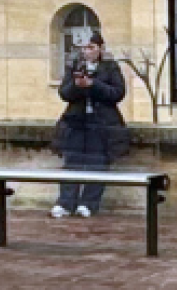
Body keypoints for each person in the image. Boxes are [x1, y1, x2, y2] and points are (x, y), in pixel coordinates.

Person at [50, 33, 128, 219]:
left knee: (98, 163)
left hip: (101, 124)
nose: (87, 51)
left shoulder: (110, 68)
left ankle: (89, 203)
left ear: (100, 48)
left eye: (91, 47)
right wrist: (78, 85)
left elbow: (117, 93)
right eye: (84, 48)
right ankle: (66, 203)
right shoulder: (75, 66)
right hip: (77, 122)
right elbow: (64, 93)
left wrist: (94, 84)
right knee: (72, 162)